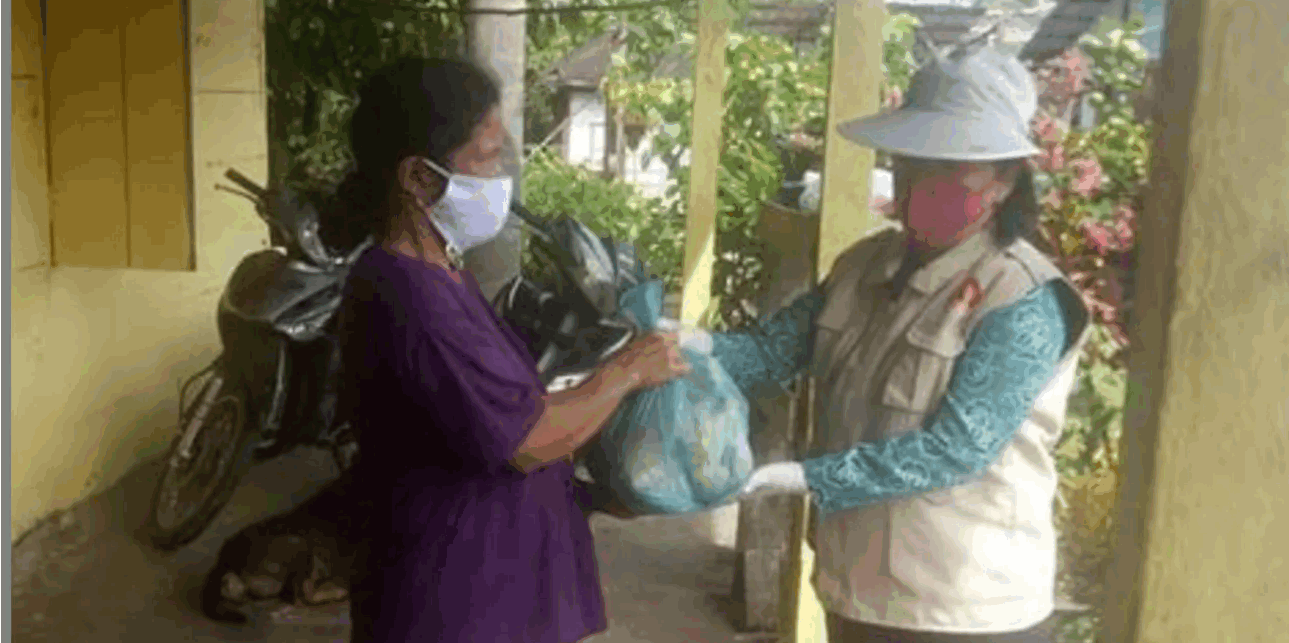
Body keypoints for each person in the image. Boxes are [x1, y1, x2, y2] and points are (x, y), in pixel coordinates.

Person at [724, 44, 1091, 643]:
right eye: (911, 163)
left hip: (966, 609)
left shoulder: (1022, 298)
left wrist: (805, 477)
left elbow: (957, 449)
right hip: (858, 593)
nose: (921, 184)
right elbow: (771, 352)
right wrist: (682, 351)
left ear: (1003, 181)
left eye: (950, 170)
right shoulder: (863, 267)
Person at [330, 56, 689, 643]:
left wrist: (593, 490)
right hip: (456, 605)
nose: (502, 181)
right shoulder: (412, 299)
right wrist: (624, 372)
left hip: (494, 591)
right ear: (419, 178)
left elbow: (479, 423)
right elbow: (522, 440)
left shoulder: (442, 273)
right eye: (487, 158)